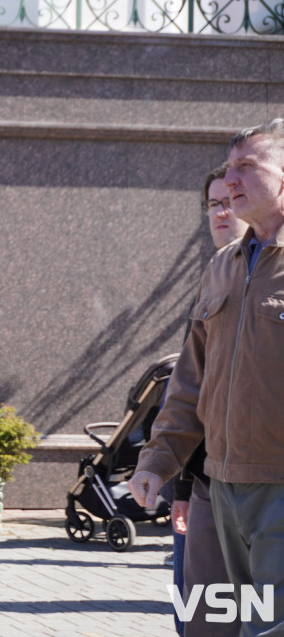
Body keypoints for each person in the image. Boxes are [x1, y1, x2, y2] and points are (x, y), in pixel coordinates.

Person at [131, 119, 284, 637]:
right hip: (218, 486)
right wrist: (158, 459)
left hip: (279, 485)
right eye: (230, 165)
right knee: (217, 626)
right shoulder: (222, 266)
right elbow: (191, 378)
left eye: (248, 166)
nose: (231, 178)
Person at [168, 165, 248, 637]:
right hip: (206, 485)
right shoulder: (213, 277)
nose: (221, 212)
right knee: (199, 620)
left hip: (261, 488)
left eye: (229, 201)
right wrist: (180, 488)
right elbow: (190, 391)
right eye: (212, 204)